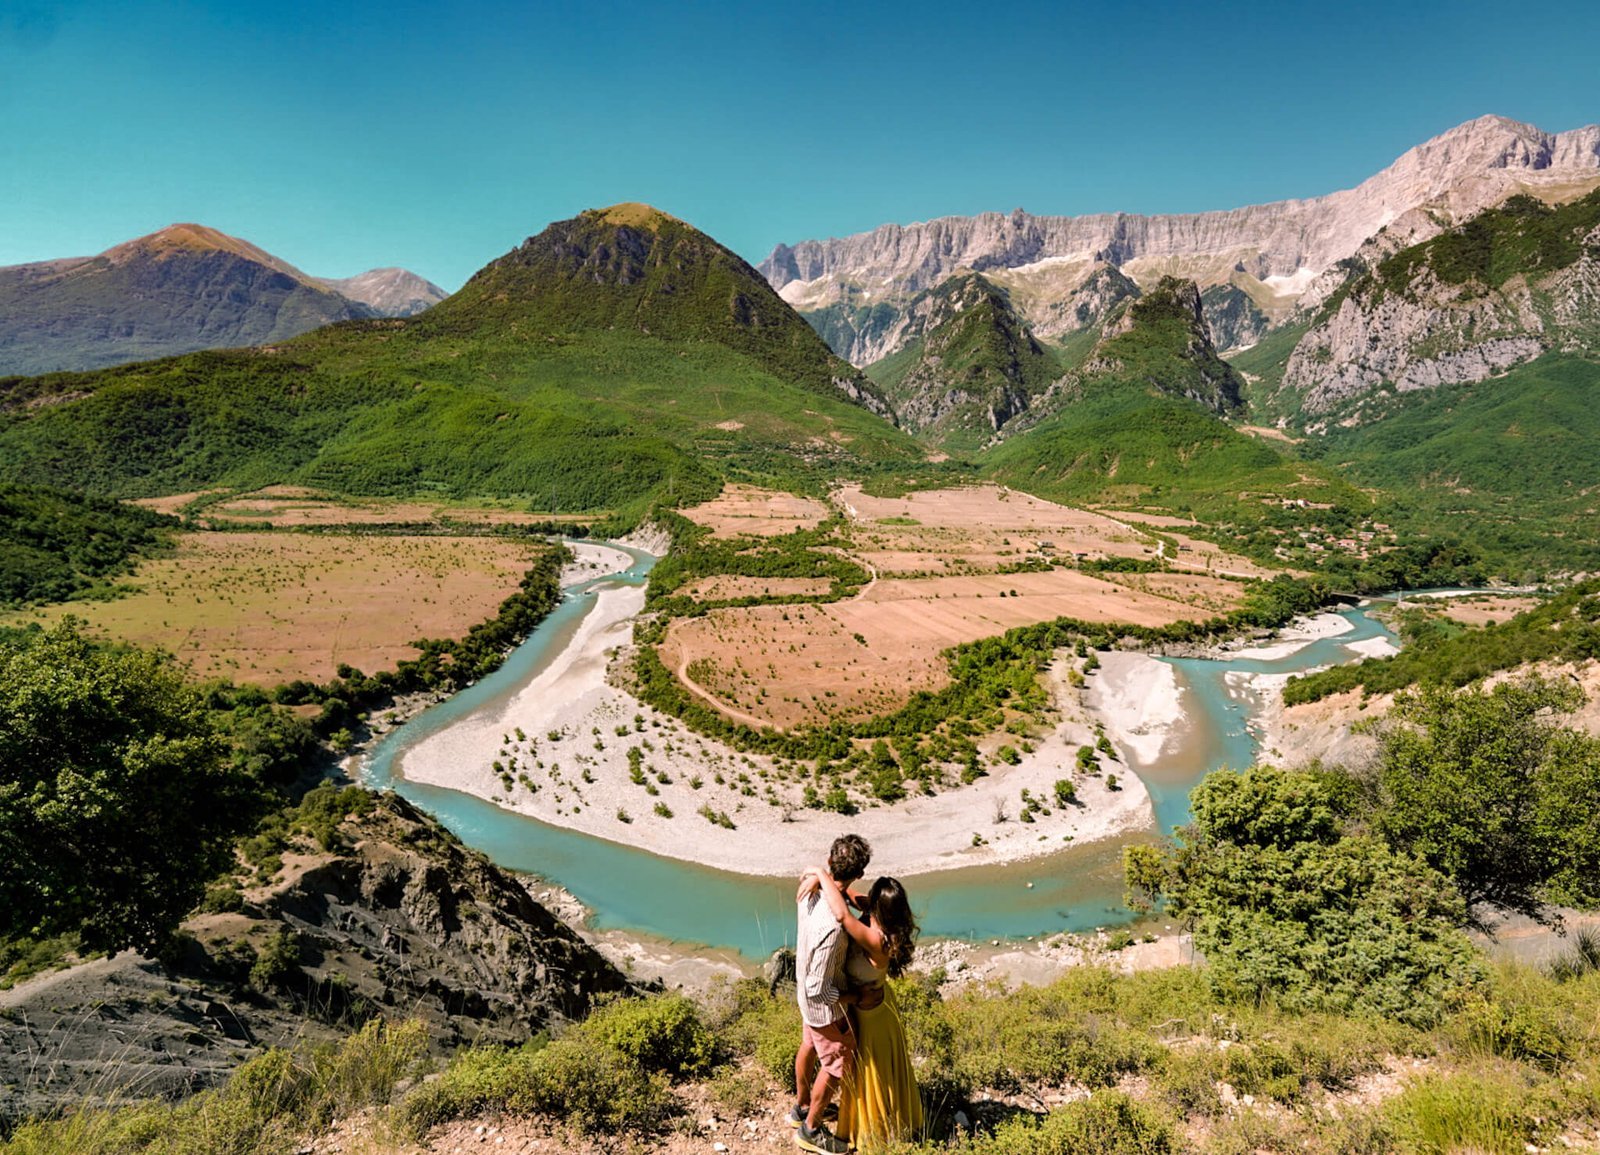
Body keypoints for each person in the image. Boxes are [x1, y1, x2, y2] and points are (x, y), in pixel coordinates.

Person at [799, 867, 923, 1150]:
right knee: (869, 1070)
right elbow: (851, 897)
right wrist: (829, 882)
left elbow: (842, 915)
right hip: (876, 1007)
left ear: (879, 907)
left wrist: (820, 871)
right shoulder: (886, 920)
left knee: (871, 1072)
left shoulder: (878, 939)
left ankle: (871, 1129)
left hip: (871, 1015)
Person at [790, 834, 872, 1155]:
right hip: (824, 1007)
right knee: (837, 1062)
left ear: (829, 863)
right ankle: (811, 1130)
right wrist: (854, 998)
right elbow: (820, 988)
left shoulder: (808, 890)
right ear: (861, 872)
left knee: (809, 1045)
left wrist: (829, 882)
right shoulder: (836, 929)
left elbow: (829, 884)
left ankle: (801, 1108)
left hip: (803, 997)